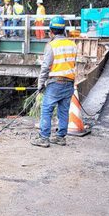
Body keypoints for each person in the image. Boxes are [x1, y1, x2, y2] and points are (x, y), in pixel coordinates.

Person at [33, 16, 78, 147]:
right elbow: (73, 63)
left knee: (46, 110)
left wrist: (40, 84)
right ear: (64, 30)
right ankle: (60, 137)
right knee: (64, 110)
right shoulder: (73, 45)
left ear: (51, 32)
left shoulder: (51, 46)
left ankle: (44, 138)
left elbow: (45, 67)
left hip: (55, 83)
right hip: (69, 82)